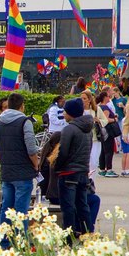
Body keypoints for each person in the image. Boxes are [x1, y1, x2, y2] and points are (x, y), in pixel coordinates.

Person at [0, 93, 39, 234]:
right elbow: (31, 149)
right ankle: (20, 241)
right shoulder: (25, 122)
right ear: (22, 106)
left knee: (6, 208)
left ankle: (5, 241)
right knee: (20, 210)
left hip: (7, 173)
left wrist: (6, 161)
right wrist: (35, 164)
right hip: (23, 174)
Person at [53, 98, 93, 237]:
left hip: (68, 173)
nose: (63, 113)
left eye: (65, 111)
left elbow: (63, 152)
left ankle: (68, 239)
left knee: (68, 208)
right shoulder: (88, 129)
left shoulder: (69, 129)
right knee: (83, 206)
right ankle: (88, 235)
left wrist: (57, 167)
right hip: (83, 171)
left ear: (71, 113)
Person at [97, 90, 119, 178]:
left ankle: (102, 169)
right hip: (108, 130)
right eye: (108, 96)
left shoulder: (98, 107)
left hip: (101, 131)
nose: (109, 98)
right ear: (105, 97)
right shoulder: (105, 107)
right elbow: (105, 120)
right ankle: (108, 169)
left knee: (103, 150)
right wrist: (114, 119)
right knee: (109, 150)